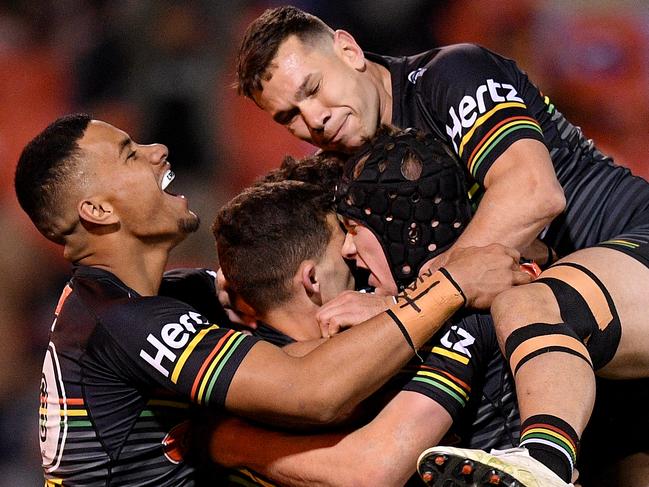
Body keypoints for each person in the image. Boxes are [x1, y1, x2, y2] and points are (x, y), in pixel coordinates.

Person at [236, 7, 649, 485]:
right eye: (290, 116)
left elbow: (533, 193)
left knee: (531, 302)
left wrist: (404, 306)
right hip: (570, 356)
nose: (315, 118)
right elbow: (284, 229)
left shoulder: (449, 75)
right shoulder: (353, 159)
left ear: (348, 51)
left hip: (628, 252)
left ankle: (540, 467)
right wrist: (235, 279)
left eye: (312, 88)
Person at [16, 114, 528, 485]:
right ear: (98, 211)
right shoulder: (124, 322)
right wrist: (451, 288)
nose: (157, 151)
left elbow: (295, 348)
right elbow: (314, 391)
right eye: (130, 153)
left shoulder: (165, 297)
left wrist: (389, 306)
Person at [209, 129, 523, 486]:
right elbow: (370, 470)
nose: (351, 253)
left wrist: (232, 442)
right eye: (345, 231)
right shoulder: (413, 333)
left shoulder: (231, 376)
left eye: (355, 230)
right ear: (311, 280)